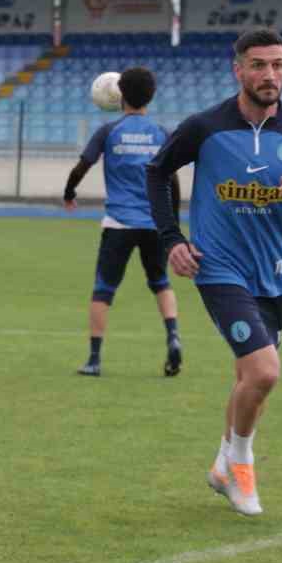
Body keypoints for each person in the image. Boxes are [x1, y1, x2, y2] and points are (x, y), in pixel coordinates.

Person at [145, 28, 282, 517]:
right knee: (264, 370)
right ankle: (242, 466)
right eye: (258, 65)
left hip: (273, 274)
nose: (270, 74)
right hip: (218, 270)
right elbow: (156, 172)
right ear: (238, 70)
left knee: (248, 380)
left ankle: (221, 465)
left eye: (278, 65)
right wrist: (172, 239)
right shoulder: (206, 126)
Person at [63, 66, 184, 377]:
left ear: (120, 96)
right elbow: (173, 181)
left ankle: (94, 359)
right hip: (154, 224)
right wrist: (171, 222)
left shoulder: (108, 131)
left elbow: (82, 167)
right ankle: (173, 337)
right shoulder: (162, 133)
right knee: (160, 282)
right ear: (151, 96)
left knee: (104, 287)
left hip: (118, 223)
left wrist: (69, 191)